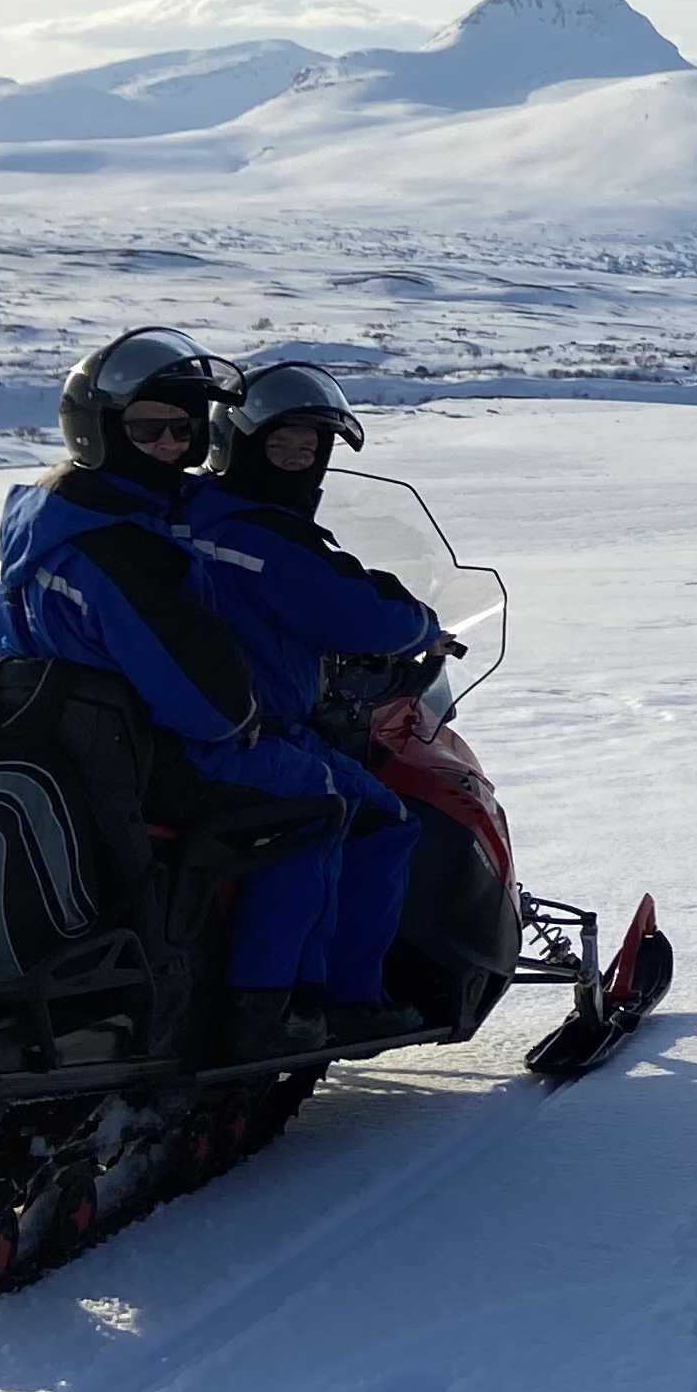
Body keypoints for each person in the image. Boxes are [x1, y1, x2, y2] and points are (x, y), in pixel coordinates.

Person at [0, 330, 437, 1062]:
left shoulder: (47, 518)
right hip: (162, 748)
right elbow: (201, 693)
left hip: (76, 740)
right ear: (97, 428)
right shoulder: (126, 548)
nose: (168, 446)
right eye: (149, 427)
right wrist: (241, 718)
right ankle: (275, 1008)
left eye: (181, 430)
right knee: (320, 803)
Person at [192, 360, 443, 1046]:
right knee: (376, 821)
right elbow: (352, 608)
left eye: (310, 451)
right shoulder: (264, 536)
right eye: (281, 448)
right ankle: (334, 1000)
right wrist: (422, 626)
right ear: (237, 444)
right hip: (252, 730)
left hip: (187, 721)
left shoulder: (188, 510)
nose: (297, 464)